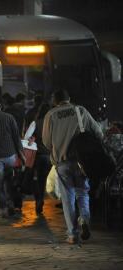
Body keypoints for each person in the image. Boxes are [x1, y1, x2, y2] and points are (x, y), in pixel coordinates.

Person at [42, 90, 103, 244]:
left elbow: (46, 142)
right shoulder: (80, 110)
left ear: (55, 101)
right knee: (83, 194)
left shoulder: (51, 115)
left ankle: (72, 234)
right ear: (69, 99)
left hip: (62, 163)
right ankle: (84, 220)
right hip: (82, 162)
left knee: (67, 199)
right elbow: (98, 132)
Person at [30, 103, 51, 215]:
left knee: (40, 180)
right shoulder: (52, 122)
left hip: (39, 155)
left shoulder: (36, 123)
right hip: (51, 155)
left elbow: (29, 138)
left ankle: (39, 199)